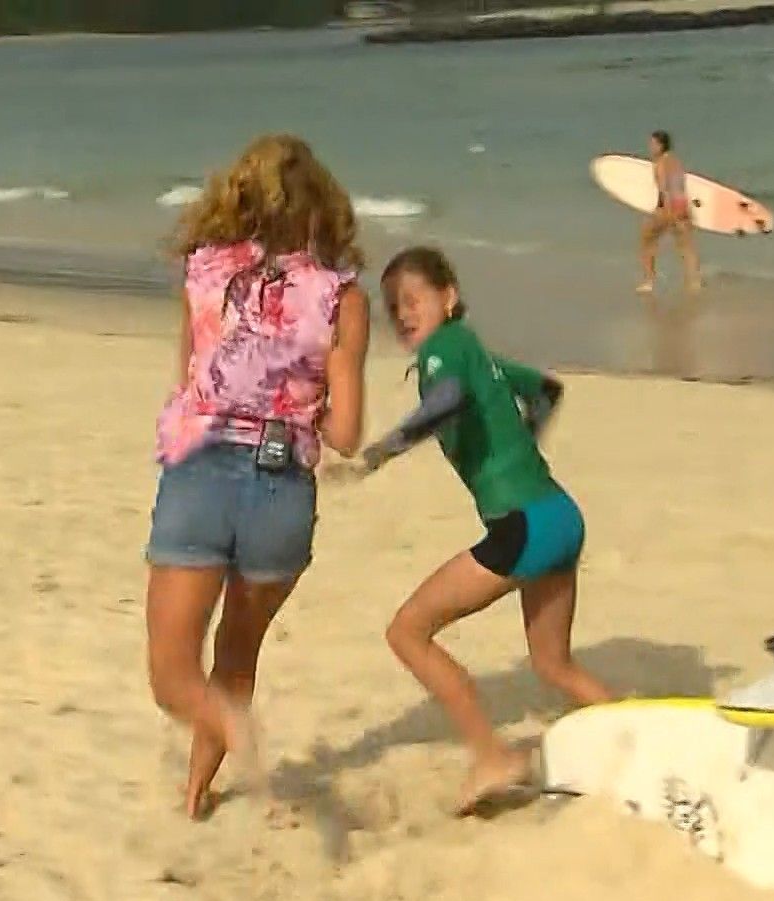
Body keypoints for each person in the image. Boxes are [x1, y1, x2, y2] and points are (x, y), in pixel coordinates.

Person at [145, 133, 370, 820]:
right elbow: (346, 434)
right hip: (282, 490)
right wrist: (298, 401)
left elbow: (189, 380)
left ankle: (232, 746)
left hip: (201, 472)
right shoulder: (344, 298)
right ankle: (197, 791)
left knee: (172, 676)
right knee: (236, 657)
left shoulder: (204, 272)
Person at [350, 245, 616, 813]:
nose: (403, 314)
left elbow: (447, 401)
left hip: (523, 527)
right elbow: (546, 390)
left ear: (449, 297)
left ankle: (490, 756)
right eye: (393, 307)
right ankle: (636, 740)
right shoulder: (476, 353)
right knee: (553, 665)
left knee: (408, 632)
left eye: (414, 300)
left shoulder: (443, 352)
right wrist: (519, 447)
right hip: (558, 515)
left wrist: (379, 453)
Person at [638, 130, 701, 295]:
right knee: (686, 247)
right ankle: (695, 283)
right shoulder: (676, 162)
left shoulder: (660, 164)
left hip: (669, 206)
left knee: (647, 240)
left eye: (653, 144)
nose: (650, 147)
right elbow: (681, 186)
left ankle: (649, 281)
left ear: (661, 146)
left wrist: (663, 211)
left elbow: (664, 189)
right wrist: (686, 210)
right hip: (683, 205)